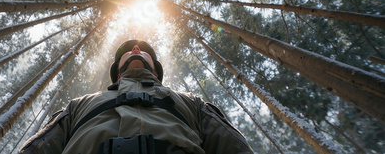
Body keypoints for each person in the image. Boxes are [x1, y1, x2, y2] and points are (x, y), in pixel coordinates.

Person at [19, 40, 253, 154]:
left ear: (156, 69)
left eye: (144, 51)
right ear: (116, 71)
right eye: (127, 52)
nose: (135, 50)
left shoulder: (192, 102)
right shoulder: (79, 104)